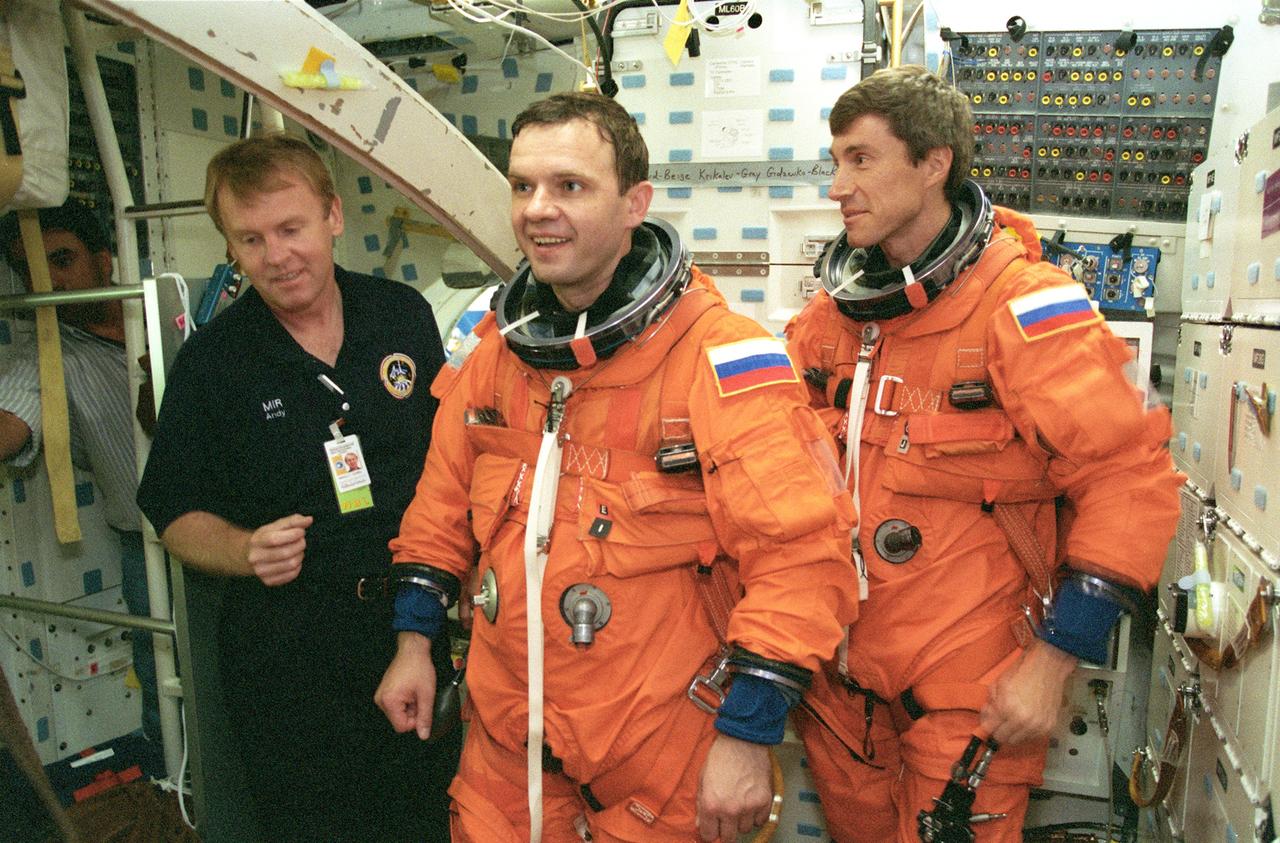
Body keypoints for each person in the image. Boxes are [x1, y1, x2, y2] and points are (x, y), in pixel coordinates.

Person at [375, 91, 859, 843]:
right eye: (523, 185)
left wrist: (747, 734)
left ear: (636, 202)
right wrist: (412, 643)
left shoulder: (719, 356)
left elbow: (803, 554)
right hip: (507, 742)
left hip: (662, 745)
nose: (538, 208)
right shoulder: (500, 355)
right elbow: (438, 508)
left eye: (569, 186)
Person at [786, 65, 1183, 842]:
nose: (838, 186)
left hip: (973, 694)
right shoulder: (830, 322)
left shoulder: (1026, 308)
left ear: (933, 164)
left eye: (861, 160)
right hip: (839, 690)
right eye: (834, 161)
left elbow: (1131, 480)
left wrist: (1054, 659)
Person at [135, 134, 459, 842]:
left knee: (426, 820)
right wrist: (244, 547)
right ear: (230, 246)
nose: (277, 256)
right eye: (250, 239)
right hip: (290, 656)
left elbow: (455, 465)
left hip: (412, 624)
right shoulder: (216, 361)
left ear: (332, 217)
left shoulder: (399, 316)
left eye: (291, 228)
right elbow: (172, 510)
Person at [0, 202, 160, 740]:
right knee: (165, 684)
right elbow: (7, 428)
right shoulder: (46, 356)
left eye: (62, 260)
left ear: (103, 259)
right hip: (150, 546)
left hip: (248, 530)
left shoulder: (167, 315)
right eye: (32, 272)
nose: (50, 282)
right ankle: (174, 801)